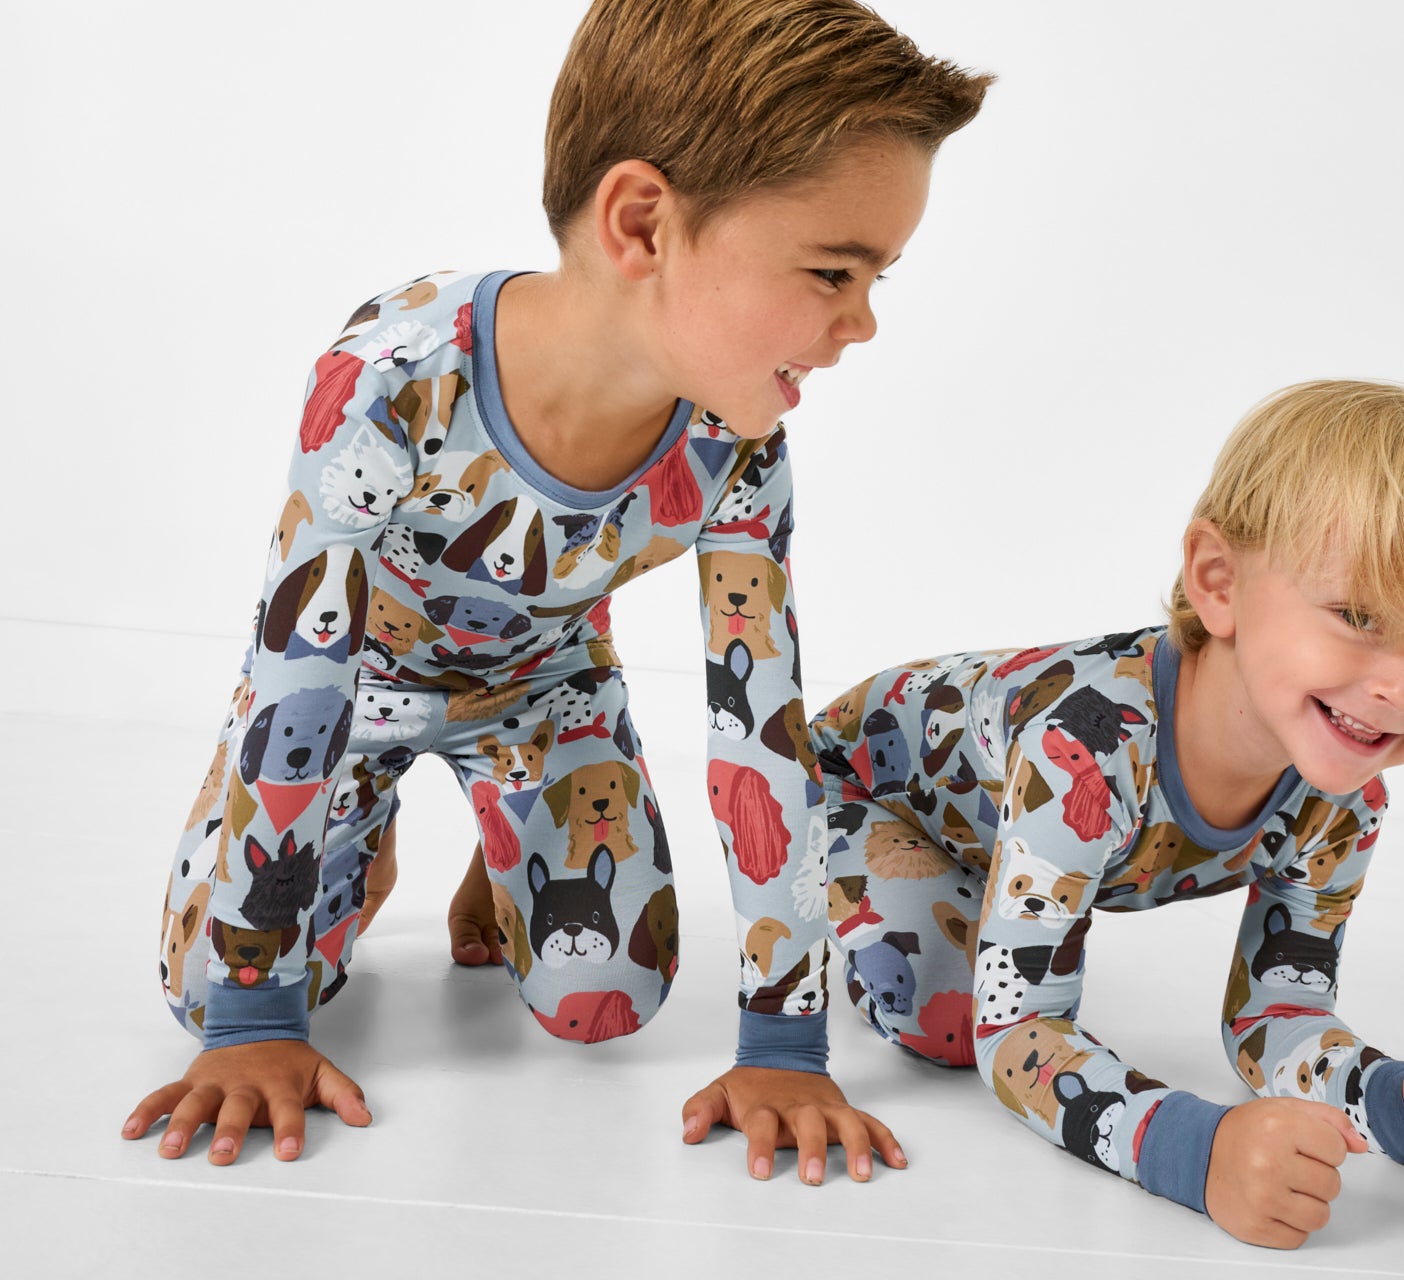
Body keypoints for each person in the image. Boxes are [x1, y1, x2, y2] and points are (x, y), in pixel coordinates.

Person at [123, 0, 992, 1184]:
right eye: (834, 270)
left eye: (878, 276)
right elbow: (298, 668)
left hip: (544, 695)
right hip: (353, 689)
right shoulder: (392, 377)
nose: (864, 321)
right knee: (207, 990)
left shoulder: (735, 440)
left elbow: (758, 725)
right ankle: (363, 829)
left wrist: (784, 1037)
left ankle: (503, 823)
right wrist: (253, 1017)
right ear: (641, 221)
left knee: (609, 997)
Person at [809, 380, 1404, 1246]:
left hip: (1009, 825)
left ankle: (1006, 896)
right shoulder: (1080, 753)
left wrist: (1398, 1108)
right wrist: (1197, 1151)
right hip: (863, 783)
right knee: (948, 1026)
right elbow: (1018, 1033)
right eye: (1359, 616)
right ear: (1218, 583)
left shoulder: (1343, 803)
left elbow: (1277, 1014)